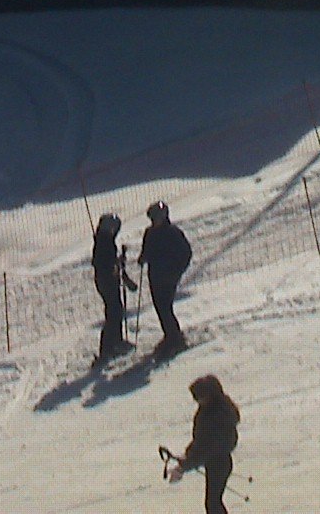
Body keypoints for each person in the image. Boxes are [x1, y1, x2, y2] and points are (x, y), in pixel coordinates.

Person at [166, 374, 240, 514]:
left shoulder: (215, 415)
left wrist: (184, 466)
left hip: (218, 463)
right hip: (218, 462)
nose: (197, 401)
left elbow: (207, 448)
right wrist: (187, 456)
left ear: (209, 394)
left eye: (199, 397)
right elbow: (200, 442)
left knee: (213, 504)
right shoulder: (212, 409)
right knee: (213, 503)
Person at [138, 199, 193, 354]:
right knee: (160, 308)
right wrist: (143, 258)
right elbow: (146, 250)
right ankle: (170, 335)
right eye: (153, 219)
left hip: (168, 277)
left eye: (157, 218)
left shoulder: (173, 233)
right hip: (154, 276)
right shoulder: (150, 233)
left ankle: (175, 339)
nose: (154, 221)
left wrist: (176, 271)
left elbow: (186, 254)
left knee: (165, 307)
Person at [91, 212, 137, 362]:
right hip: (107, 281)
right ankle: (108, 347)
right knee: (113, 312)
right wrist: (116, 265)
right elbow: (104, 263)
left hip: (106, 281)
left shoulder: (104, 241)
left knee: (115, 310)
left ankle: (115, 342)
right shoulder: (104, 242)